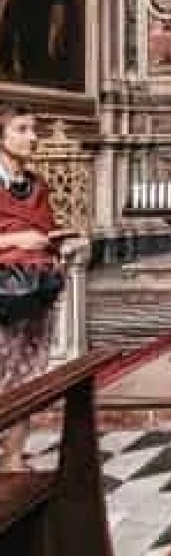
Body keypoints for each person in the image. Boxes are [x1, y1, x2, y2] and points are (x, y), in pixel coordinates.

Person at [0, 105, 64, 471]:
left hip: (38, 290)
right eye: (22, 129)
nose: (32, 137)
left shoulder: (37, 184)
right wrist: (19, 239)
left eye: (34, 129)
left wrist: (57, 241)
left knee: (28, 375)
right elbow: (22, 235)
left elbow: (45, 230)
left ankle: (13, 456)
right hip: (4, 291)